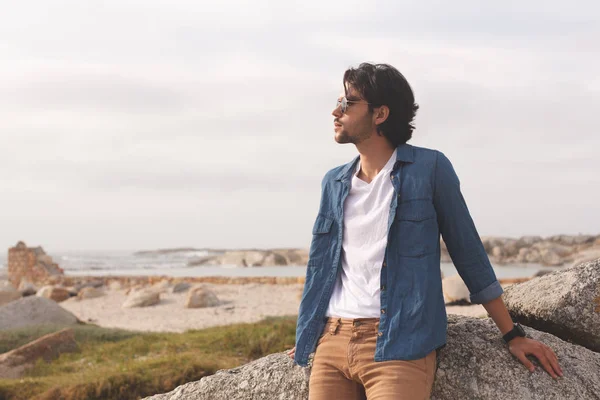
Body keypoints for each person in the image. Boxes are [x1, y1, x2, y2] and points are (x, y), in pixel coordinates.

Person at [286, 62, 563, 400]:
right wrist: (308, 332)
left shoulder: (429, 169)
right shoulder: (334, 182)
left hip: (400, 344)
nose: (336, 110)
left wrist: (512, 334)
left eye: (348, 102)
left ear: (380, 114)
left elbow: (468, 252)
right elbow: (321, 266)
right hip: (332, 340)